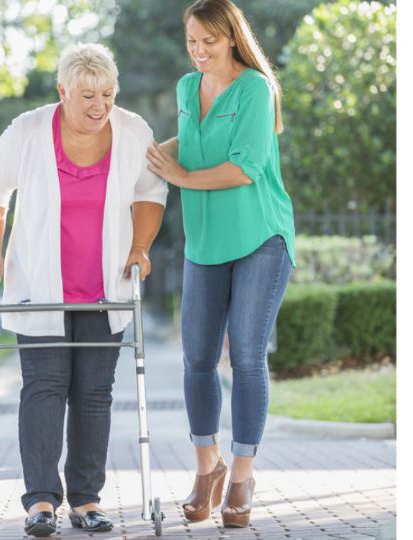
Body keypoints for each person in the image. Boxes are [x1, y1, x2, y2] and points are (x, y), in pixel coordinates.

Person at [0, 42, 167, 537]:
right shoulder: (30, 130)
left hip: (105, 288)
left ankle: (86, 499)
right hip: (41, 286)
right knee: (44, 389)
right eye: (86, 95)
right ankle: (40, 501)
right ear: (63, 91)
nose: (98, 104)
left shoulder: (132, 131)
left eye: (106, 92)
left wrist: (140, 247)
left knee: (94, 394)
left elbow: (150, 192)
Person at [146, 0, 295, 529]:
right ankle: (206, 470)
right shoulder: (189, 89)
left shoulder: (256, 88)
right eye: (192, 41)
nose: (199, 50)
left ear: (230, 37)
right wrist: (136, 156)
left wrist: (179, 177)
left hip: (260, 237)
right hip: (204, 243)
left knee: (247, 356)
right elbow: (182, 146)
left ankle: (240, 477)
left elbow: (244, 168)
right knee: (196, 359)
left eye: (208, 41)